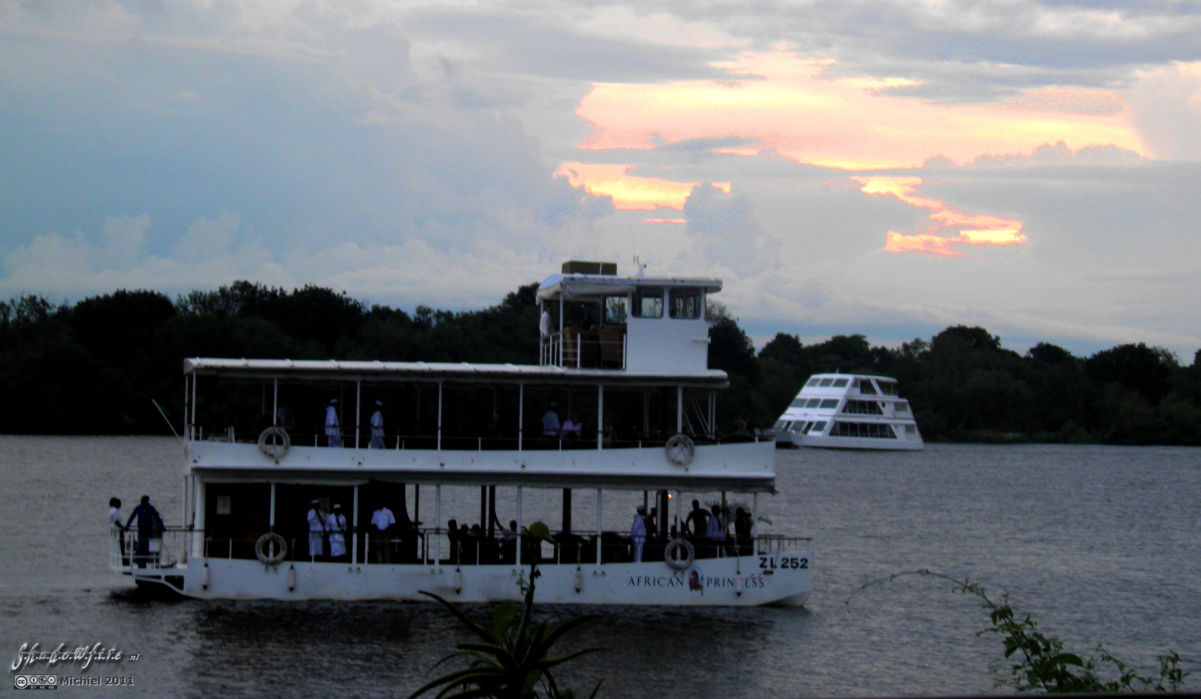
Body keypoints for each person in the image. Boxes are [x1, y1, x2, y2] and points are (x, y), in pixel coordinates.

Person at [125, 495, 165, 568]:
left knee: (147, 547)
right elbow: (132, 517)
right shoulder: (138, 508)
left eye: (143, 501)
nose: (142, 502)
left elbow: (157, 517)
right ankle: (139, 561)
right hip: (141, 531)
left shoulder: (151, 509)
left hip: (148, 531)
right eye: (141, 501)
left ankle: (145, 561)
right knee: (140, 546)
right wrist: (127, 526)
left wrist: (162, 526)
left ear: (146, 501)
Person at [109, 497, 126, 565]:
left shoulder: (112, 510)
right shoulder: (114, 511)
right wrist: (122, 527)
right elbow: (116, 521)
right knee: (121, 546)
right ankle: (123, 560)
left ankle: (123, 559)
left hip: (117, 530)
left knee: (121, 546)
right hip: (118, 530)